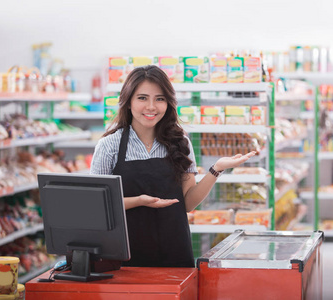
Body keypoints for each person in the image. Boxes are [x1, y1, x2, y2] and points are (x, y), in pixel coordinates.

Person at [90, 65, 256, 268]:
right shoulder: (109, 145)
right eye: (142, 98)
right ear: (128, 101)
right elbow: (98, 205)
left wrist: (217, 169)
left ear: (168, 103)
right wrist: (139, 201)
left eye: (159, 99)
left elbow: (187, 203)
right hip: (125, 256)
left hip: (174, 251)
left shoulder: (180, 142)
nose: (151, 106)